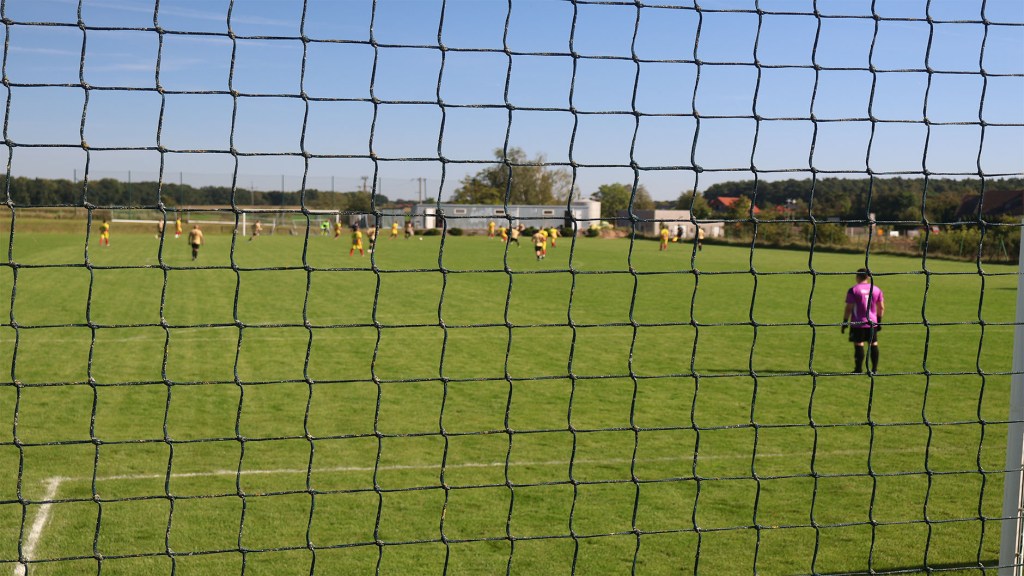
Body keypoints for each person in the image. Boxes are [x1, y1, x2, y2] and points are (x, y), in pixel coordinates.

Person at [841, 268, 885, 374]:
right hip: (872, 322)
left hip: (858, 323)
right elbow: (881, 307)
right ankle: (874, 369)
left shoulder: (854, 290)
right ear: (868, 277)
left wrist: (845, 321)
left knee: (859, 344)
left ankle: (858, 369)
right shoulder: (876, 289)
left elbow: (849, 308)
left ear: (857, 276)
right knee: (873, 343)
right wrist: (878, 321)